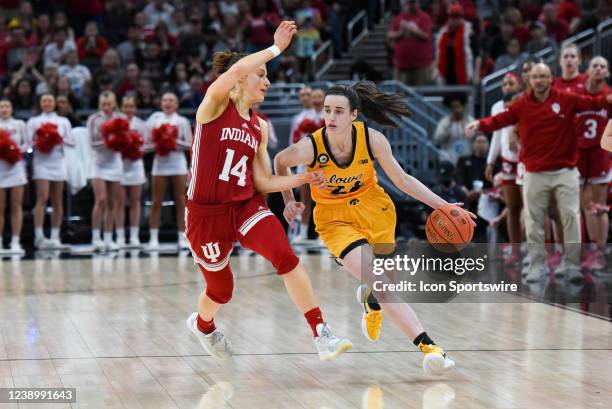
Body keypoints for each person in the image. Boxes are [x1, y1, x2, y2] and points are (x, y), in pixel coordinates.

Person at [274, 82, 474, 375]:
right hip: (335, 220)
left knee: (383, 286)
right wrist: (289, 199)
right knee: (384, 285)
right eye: (327, 110)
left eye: (339, 111)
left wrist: (443, 207)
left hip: (376, 210)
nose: (330, 116)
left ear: (353, 114)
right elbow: (280, 162)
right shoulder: (311, 147)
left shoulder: (373, 140)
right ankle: (431, 349)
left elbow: (404, 181)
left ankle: (370, 300)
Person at [185, 21, 352, 361]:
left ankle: (321, 333)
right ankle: (202, 325)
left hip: (245, 206)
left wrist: (302, 180)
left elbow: (261, 181)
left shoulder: (259, 126)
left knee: (285, 255)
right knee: (222, 290)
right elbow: (236, 69)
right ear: (240, 78)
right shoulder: (214, 105)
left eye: (266, 74)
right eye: (260, 74)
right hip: (206, 214)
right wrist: (275, 49)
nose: (267, 80)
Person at [466, 63, 612, 283]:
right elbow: (499, 120)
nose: (539, 80)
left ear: (552, 78)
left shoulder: (566, 98)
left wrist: (607, 99)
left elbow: (594, 102)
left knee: (570, 217)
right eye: (535, 77)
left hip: (566, 170)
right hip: (534, 172)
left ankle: (571, 266)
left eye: (544, 76)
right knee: (534, 220)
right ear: (529, 80)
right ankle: (537, 267)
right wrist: (479, 123)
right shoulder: (521, 104)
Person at [575, 56, 610, 269]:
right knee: (586, 206)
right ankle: (590, 252)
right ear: (587, 70)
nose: (598, 69)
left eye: (603, 66)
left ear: (607, 73)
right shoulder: (577, 95)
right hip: (579, 157)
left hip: (600, 155)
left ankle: (600, 253)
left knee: (600, 207)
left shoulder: (609, 96)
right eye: (595, 65)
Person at [26, 94, 73, 248]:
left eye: (50, 101)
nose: (47, 103)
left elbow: (72, 142)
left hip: (58, 162)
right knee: (42, 198)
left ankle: (55, 236)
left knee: (58, 200)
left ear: (55, 103)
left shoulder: (63, 121)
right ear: (40, 103)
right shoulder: (33, 121)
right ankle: (39, 237)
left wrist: (57, 137)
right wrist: (41, 141)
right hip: (41, 162)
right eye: (44, 101)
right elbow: (28, 144)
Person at [146, 92, 192, 250]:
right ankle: (153, 238)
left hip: (178, 164)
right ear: (161, 103)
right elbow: (145, 145)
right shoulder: (154, 120)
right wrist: (159, 143)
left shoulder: (182, 121)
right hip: (159, 164)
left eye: (171, 100)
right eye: (165, 100)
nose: (167, 103)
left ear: (176, 104)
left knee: (181, 201)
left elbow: (190, 145)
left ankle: (182, 237)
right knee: (156, 202)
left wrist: (173, 142)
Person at [486, 73, 523, 253]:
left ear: (520, 86)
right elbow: (496, 135)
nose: (507, 87)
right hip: (507, 161)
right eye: (504, 84)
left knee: (529, 208)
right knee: (512, 207)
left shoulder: (526, 104)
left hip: (526, 160)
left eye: (511, 83)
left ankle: (531, 249)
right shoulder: (497, 107)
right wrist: (490, 161)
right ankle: (516, 250)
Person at [87, 91, 125, 251]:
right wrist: (110, 140)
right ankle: (96, 238)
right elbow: (93, 144)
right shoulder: (94, 119)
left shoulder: (121, 119)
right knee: (101, 199)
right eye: (103, 104)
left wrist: (120, 141)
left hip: (115, 163)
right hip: (98, 163)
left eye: (109, 104)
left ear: (114, 104)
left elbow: (126, 141)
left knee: (112, 202)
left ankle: (108, 238)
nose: (106, 107)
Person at [116, 96, 148, 247]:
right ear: (122, 107)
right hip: (120, 165)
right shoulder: (117, 123)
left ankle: (135, 236)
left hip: (135, 164)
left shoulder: (141, 125)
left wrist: (136, 150)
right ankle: (120, 236)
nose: (128, 109)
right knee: (120, 202)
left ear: (135, 108)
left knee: (135, 202)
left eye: (131, 106)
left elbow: (146, 145)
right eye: (126, 106)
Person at [0, 99, 27, 253]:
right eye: (1, 106)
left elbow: (27, 144)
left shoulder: (19, 124)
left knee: (16, 205)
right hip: (0, 168)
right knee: (0, 207)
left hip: (16, 167)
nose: (4, 109)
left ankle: (16, 242)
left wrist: (14, 151)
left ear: (12, 108)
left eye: (7, 106)